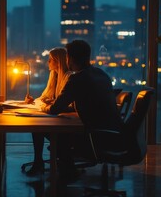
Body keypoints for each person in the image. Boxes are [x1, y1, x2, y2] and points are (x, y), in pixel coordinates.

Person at [40, 40, 122, 179]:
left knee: (46, 129)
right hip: (112, 135)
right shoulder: (101, 74)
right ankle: (67, 169)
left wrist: (43, 106)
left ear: (69, 59)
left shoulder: (76, 79)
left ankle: (66, 176)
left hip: (92, 138)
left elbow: (54, 109)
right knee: (61, 135)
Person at [23, 47, 73, 176]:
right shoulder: (54, 76)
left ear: (58, 61)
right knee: (36, 127)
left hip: (68, 124)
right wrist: (34, 101)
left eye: (50, 60)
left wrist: (49, 106)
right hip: (58, 117)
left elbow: (70, 105)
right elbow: (46, 97)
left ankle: (38, 163)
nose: (48, 62)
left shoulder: (69, 77)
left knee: (37, 128)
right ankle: (38, 162)